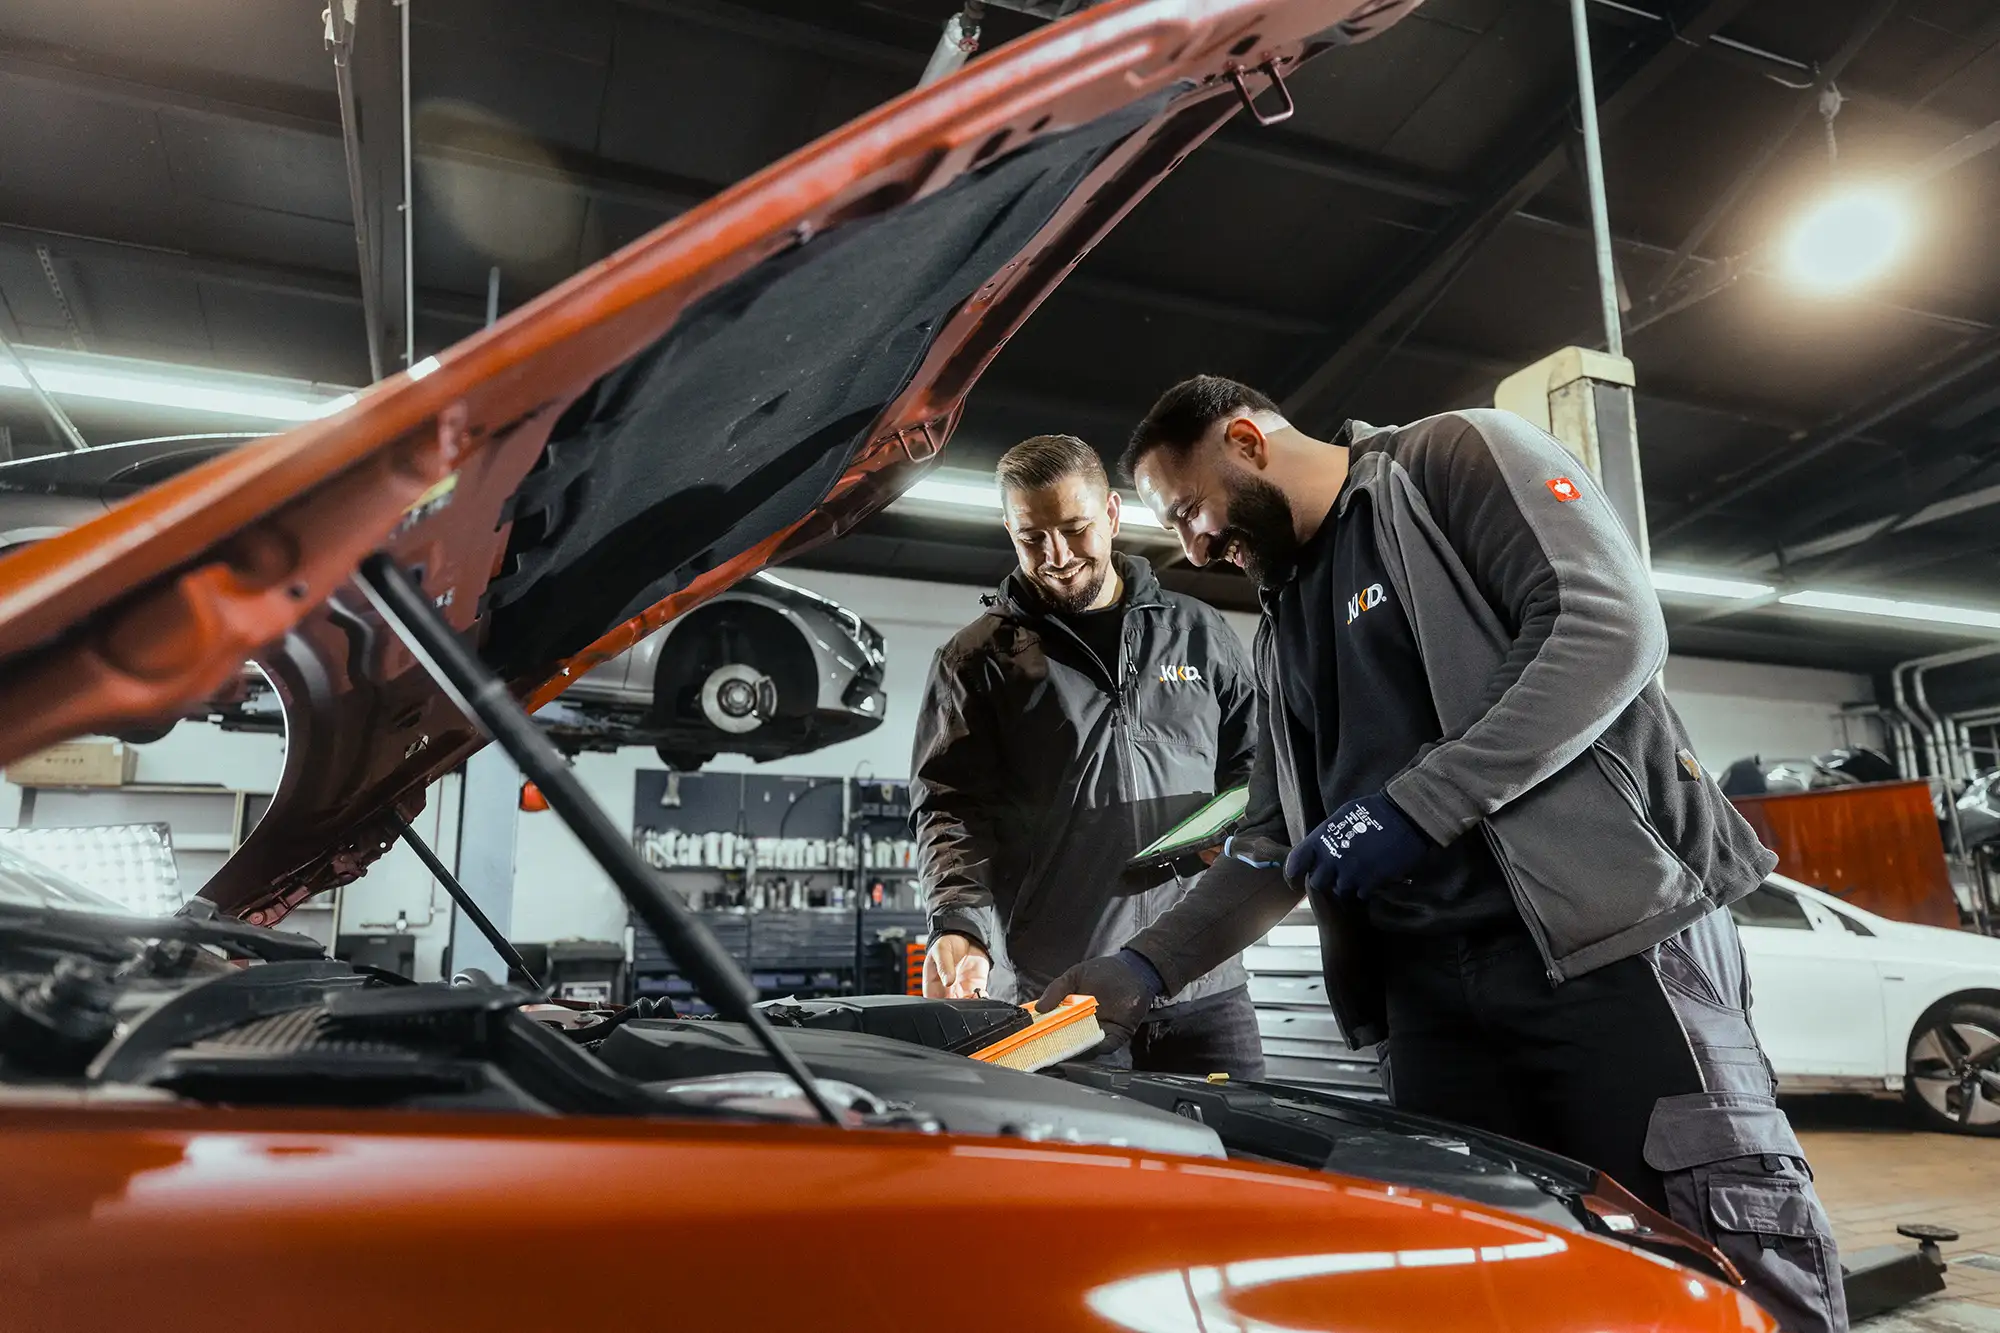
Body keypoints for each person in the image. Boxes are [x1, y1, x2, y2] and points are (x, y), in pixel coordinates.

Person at [1038, 376, 1846, 1333]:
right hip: (1429, 1004)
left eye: (1187, 509)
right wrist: (1144, 965)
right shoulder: (1281, 627)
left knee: (1711, 1258)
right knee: (1499, 1276)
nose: (1193, 545)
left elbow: (1606, 625)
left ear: (1248, 441)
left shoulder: (1450, 461)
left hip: (1605, 948)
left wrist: (1418, 806)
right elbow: (1272, 844)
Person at [910, 432, 1267, 1077]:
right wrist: (958, 922)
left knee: (1237, 1169)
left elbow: (1257, 765)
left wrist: (1232, 824)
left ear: (1110, 514)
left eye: (1074, 529)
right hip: (1062, 994)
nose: (1056, 556)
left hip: (1202, 981)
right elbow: (950, 810)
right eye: (1031, 538)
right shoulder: (976, 662)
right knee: (1084, 1176)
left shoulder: (1199, 633)